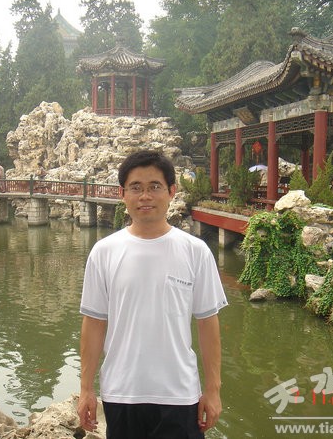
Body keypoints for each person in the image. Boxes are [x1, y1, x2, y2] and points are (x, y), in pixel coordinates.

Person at [78, 150, 228, 438]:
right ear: (122, 194)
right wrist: (86, 388)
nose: (145, 196)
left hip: (179, 395)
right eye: (136, 187)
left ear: (171, 192)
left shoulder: (195, 252)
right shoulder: (104, 252)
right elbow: (94, 323)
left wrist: (213, 390)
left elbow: (208, 323)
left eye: (154, 186)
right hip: (121, 393)